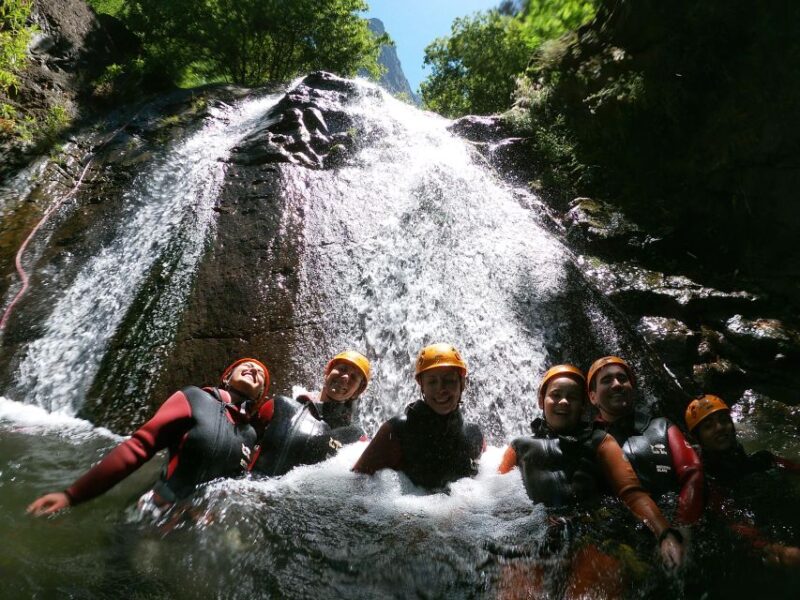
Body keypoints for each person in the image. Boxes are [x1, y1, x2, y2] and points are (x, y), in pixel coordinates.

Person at [27, 358, 269, 516]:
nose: (254, 370)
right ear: (226, 377)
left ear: (259, 395)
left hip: (197, 529)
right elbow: (139, 447)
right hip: (153, 514)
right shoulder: (193, 398)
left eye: (260, 374)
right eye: (247, 365)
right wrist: (72, 495)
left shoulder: (249, 435)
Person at [586, 356, 704, 570]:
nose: (616, 384)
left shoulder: (661, 427)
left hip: (679, 525)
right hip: (622, 541)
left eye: (622, 378)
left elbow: (693, 473)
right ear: (593, 397)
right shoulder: (588, 441)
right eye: (607, 380)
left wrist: (682, 528)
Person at [685, 394, 800, 568]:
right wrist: (778, 552)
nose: (719, 428)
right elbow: (731, 521)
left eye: (724, 420)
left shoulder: (760, 459)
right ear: (697, 438)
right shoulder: (707, 480)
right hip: (748, 543)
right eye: (708, 426)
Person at [352, 343, 484, 490]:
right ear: (422, 385)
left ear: (462, 383)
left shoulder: (474, 434)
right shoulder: (396, 431)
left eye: (449, 380)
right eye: (432, 382)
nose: (441, 389)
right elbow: (355, 486)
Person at [250, 350, 370, 476]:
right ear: (328, 372)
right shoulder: (281, 406)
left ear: (358, 391)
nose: (345, 377)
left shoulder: (354, 438)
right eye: (342, 369)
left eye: (353, 377)